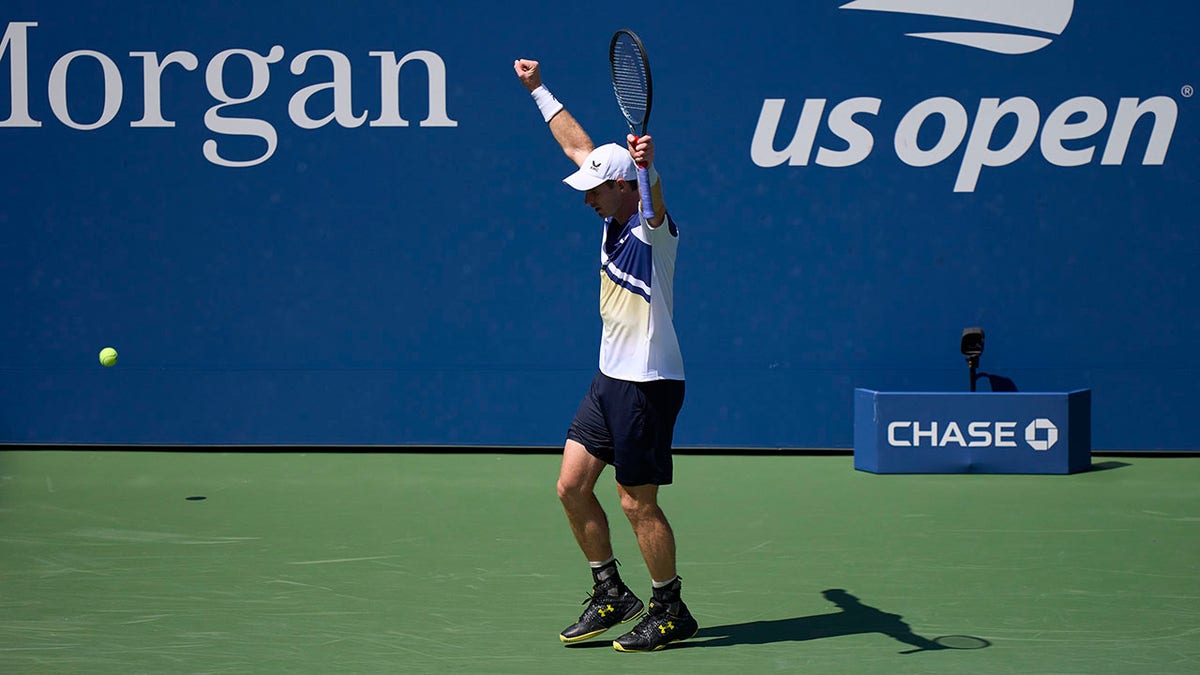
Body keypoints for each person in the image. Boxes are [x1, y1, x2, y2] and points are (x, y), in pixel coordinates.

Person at [513, 57, 696, 653]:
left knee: (635, 500)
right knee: (571, 486)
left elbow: (654, 202)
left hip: (647, 382)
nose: (585, 197)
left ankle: (670, 608)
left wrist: (649, 169)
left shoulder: (649, 228)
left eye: (596, 189)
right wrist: (539, 90)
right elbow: (579, 147)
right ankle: (612, 592)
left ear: (622, 186)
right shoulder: (608, 201)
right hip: (609, 378)